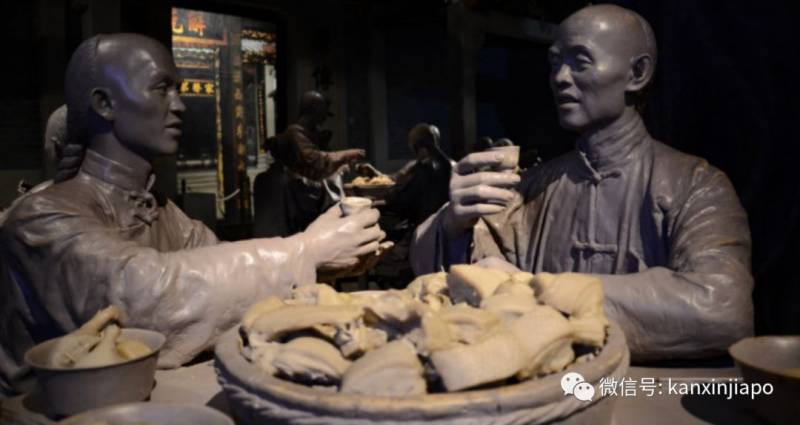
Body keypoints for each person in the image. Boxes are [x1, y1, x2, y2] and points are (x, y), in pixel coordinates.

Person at [0, 34, 385, 396]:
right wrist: (306, 251)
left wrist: (329, 257)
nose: (179, 105)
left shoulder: (163, 212)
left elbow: (226, 286)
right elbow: (138, 298)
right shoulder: (40, 217)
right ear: (105, 104)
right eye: (161, 88)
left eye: (178, 89)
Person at [410, 4, 753, 361]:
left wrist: (536, 289)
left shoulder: (696, 186)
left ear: (637, 73)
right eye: (555, 63)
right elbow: (460, 276)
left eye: (580, 61)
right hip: (546, 385)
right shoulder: (534, 188)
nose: (560, 77)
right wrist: (452, 225)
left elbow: (723, 310)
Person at [252, 91, 365, 238]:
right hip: (295, 190)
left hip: (309, 185)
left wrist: (348, 165)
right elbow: (317, 162)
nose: (325, 117)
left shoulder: (313, 133)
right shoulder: (295, 133)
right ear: (313, 109)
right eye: (323, 112)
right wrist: (347, 155)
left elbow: (328, 161)